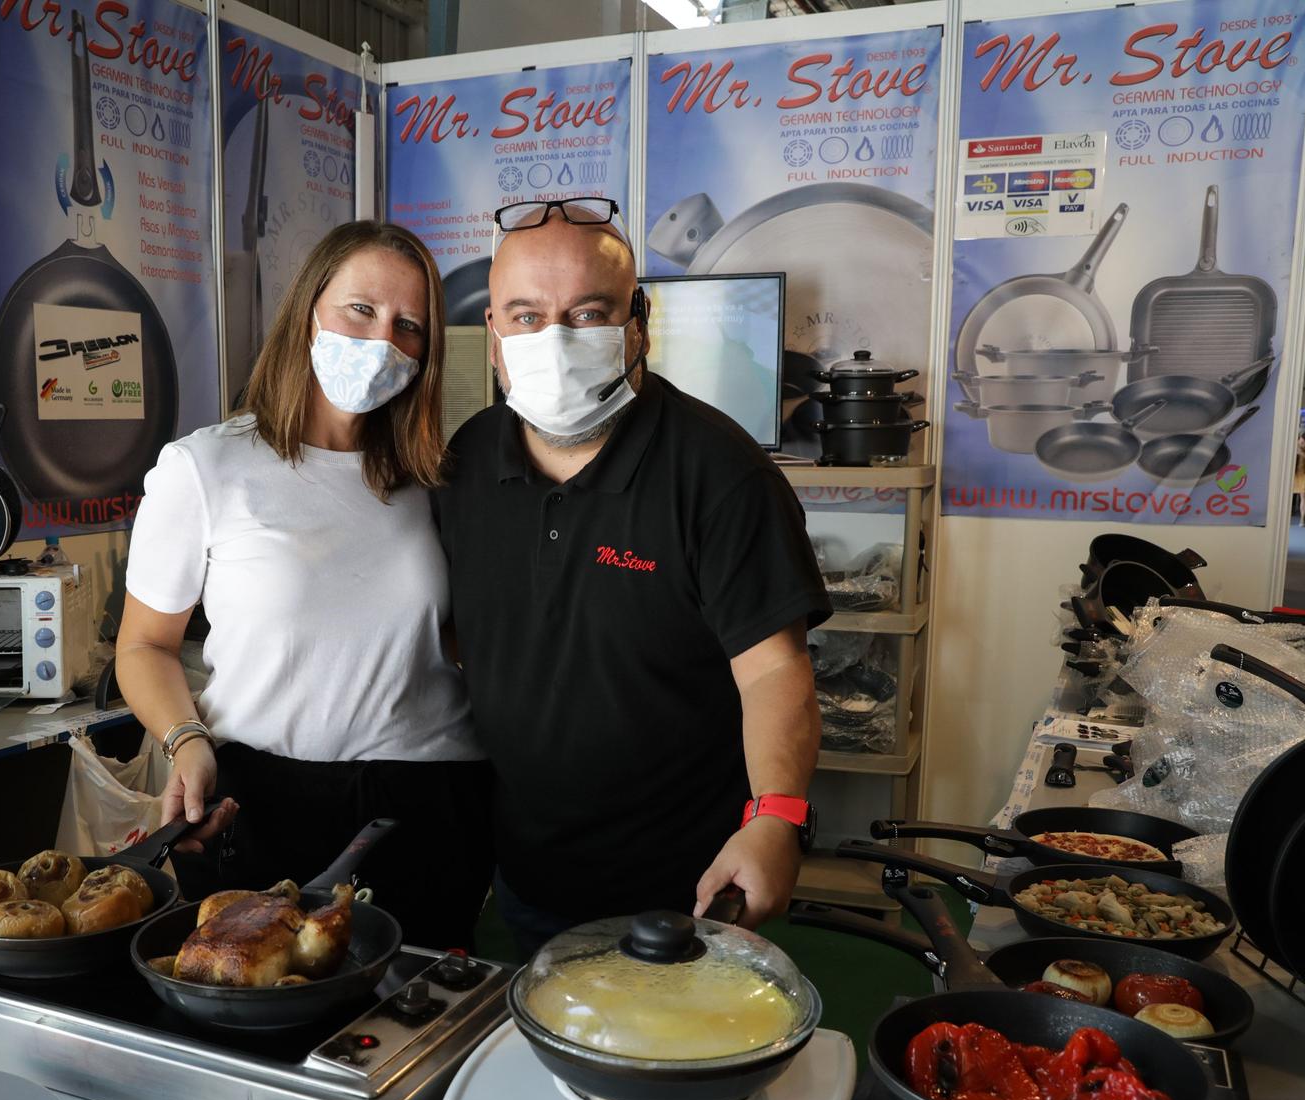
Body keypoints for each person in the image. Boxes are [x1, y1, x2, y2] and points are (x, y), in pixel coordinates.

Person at [431, 196, 830, 957]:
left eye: (587, 313)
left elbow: (775, 672)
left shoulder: (719, 474)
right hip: (526, 876)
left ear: (638, 321)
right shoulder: (465, 464)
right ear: (492, 337)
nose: (553, 339)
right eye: (524, 315)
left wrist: (776, 815)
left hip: (689, 890)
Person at [114, 221, 493, 951]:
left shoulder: (431, 480)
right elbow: (144, 646)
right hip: (263, 804)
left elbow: (451, 640)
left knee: (413, 1031)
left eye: (408, 325)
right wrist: (187, 740)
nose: (383, 339)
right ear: (308, 309)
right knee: (254, 1011)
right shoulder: (205, 468)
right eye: (362, 310)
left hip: (429, 803)